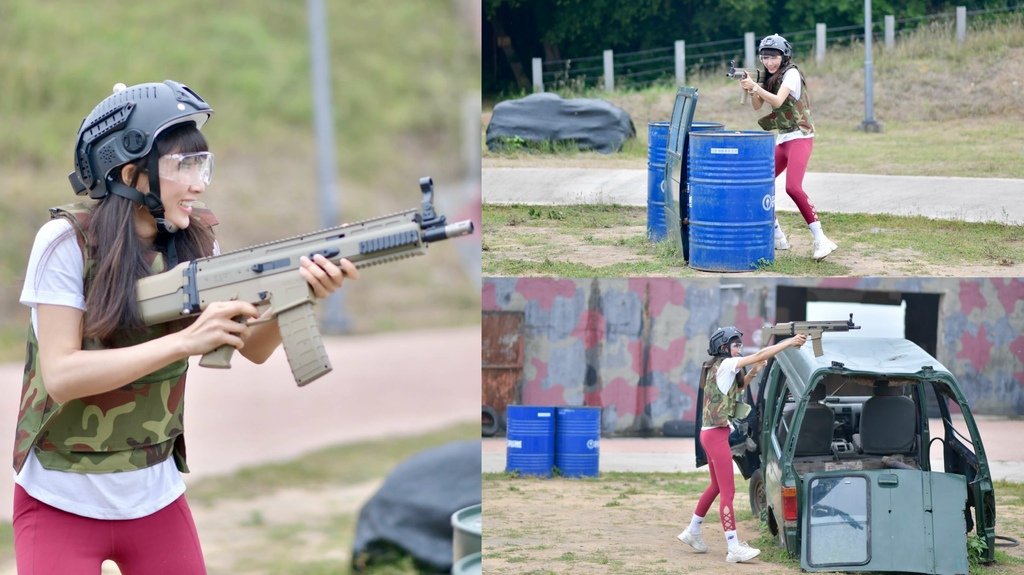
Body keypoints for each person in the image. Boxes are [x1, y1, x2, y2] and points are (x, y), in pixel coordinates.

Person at [13, 80, 358, 574]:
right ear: (132, 172)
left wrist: (304, 292)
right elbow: (62, 374)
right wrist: (185, 341)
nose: (199, 183)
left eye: (203, 165)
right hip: (58, 498)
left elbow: (252, 349)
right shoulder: (65, 242)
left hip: (156, 495)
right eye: (183, 167)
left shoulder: (195, 243)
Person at [677, 326, 807, 563]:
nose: (739, 349)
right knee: (728, 492)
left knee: (716, 487)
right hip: (716, 435)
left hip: (712, 434)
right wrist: (788, 343)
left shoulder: (716, 366)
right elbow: (760, 354)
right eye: (735, 345)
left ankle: (692, 531)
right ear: (723, 347)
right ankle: (733, 547)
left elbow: (736, 388)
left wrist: (754, 372)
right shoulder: (726, 364)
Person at [740, 34, 838, 262]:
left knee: (793, 187)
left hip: (801, 135)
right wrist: (749, 87)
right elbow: (757, 106)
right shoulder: (768, 76)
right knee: (759, 182)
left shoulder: (791, 74)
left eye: (773, 57)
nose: (769, 62)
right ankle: (777, 235)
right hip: (784, 137)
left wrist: (755, 85)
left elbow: (776, 101)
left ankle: (821, 238)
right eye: (765, 57)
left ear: (784, 56)